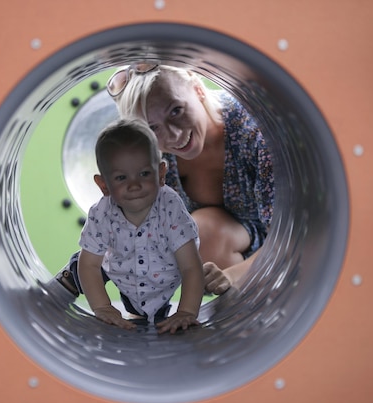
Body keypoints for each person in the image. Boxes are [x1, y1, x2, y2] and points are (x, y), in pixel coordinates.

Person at [106, 63, 274, 294]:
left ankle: (255, 302)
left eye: (176, 110)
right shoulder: (151, 157)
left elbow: (295, 236)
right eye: (152, 127)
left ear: (198, 89)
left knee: (202, 233)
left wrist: (230, 276)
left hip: (275, 248)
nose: (174, 135)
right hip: (213, 256)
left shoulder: (253, 130)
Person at [71, 118, 205, 333]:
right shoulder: (102, 212)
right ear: (103, 185)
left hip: (163, 278)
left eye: (144, 174)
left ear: (161, 174)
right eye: (121, 177)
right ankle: (68, 279)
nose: (134, 185)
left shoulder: (169, 206)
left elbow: (190, 266)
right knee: (82, 261)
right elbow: (90, 265)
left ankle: (148, 311)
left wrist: (186, 312)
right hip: (120, 272)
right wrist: (103, 307)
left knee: (156, 316)